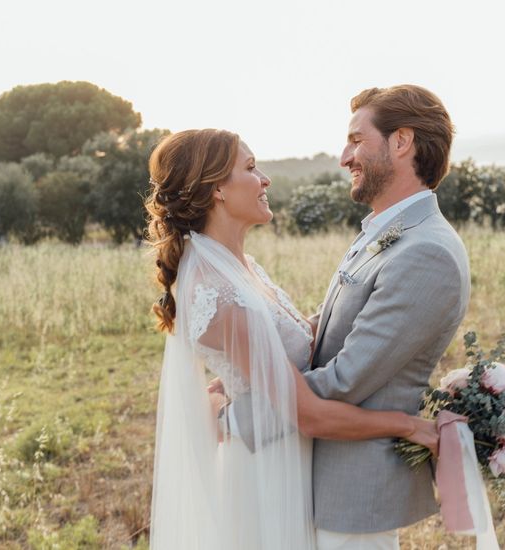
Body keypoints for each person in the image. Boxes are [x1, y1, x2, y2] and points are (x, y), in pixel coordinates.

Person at [145, 128, 440, 550]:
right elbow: (308, 415)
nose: (264, 179)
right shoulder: (219, 292)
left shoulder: (242, 267)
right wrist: (411, 426)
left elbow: (297, 338)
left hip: (294, 461)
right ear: (217, 191)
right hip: (266, 477)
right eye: (249, 168)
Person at [303, 85, 470, 550]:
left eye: (357, 139)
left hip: (353, 501)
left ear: (401, 142)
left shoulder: (427, 253)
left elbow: (344, 380)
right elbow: (320, 330)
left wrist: (247, 403)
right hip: (322, 485)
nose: (344, 156)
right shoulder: (389, 233)